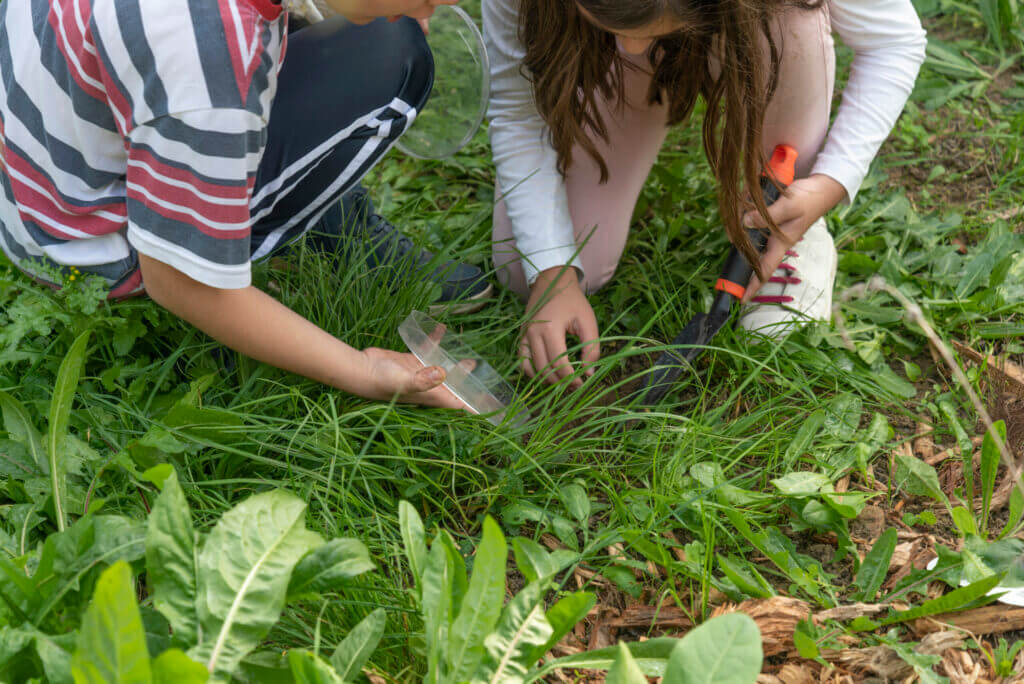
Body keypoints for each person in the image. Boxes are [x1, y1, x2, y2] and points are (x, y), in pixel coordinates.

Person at [0, 0, 492, 408]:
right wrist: (366, 371)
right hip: (89, 243)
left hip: (31, 171)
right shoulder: (206, 62)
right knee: (393, 53)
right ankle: (332, 222)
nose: (444, 4)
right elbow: (179, 281)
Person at [483, 0, 927, 385]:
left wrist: (830, 182)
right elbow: (517, 108)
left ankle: (785, 218)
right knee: (524, 270)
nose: (634, 43)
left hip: (751, 28)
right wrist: (552, 270)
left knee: (792, 20)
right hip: (617, 70)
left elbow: (894, 43)